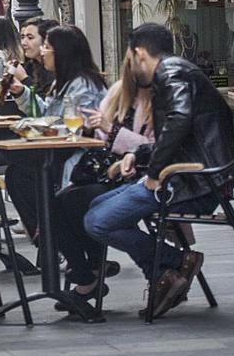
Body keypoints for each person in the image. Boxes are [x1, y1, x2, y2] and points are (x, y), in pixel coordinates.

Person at [83, 23, 234, 319]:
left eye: (130, 57)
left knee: (97, 220)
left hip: (194, 183)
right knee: (97, 204)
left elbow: (179, 120)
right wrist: (137, 155)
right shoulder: (176, 70)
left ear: (139, 53)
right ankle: (164, 273)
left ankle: (174, 263)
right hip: (192, 178)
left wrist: (153, 172)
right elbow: (177, 131)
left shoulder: (171, 71)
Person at [50, 53, 154, 307]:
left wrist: (112, 130)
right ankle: (89, 272)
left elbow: (153, 148)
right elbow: (100, 135)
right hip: (108, 172)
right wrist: (92, 126)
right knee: (57, 203)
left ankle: (89, 276)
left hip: (139, 175)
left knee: (71, 203)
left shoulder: (158, 101)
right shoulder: (119, 91)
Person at [4, 25, 107, 239]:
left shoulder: (83, 85)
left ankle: (50, 236)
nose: (42, 51)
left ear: (61, 52)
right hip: (61, 155)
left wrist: (44, 127)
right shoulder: (63, 82)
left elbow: (79, 130)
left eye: (47, 47)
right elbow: (48, 116)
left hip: (82, 160)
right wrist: (22, 93)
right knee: (17, 173)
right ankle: (46, 235)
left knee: (23, 175)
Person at [15, 17, 59, 96]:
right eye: (22, 37)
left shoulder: (55, 70)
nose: (23, 43)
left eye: (30, 38)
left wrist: (24, 79)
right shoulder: (30, 66)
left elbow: (46, 104)